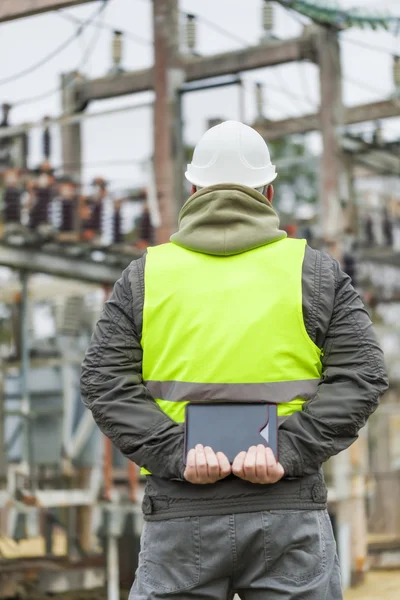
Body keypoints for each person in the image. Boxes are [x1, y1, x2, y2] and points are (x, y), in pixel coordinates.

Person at [81, 121, 388, 600]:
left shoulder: (144, 278)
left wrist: (176, 452)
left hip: (181, 514)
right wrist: (285, 451)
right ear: (268, 191)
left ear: (192, 190)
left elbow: (104, 382)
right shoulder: (315, 273)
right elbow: (364, 375)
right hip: (288, 513)